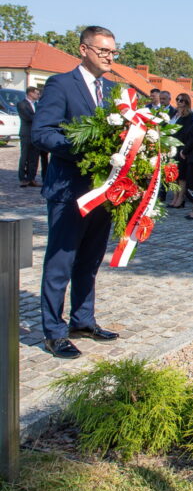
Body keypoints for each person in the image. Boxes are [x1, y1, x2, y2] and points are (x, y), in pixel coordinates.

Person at [31, 26, 121, 359]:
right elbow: (42, 133)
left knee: (90, 260)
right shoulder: (60, 85)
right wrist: (82, 146)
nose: (110, 57)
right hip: (70, 190)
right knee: (60, 262)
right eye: (104, 51)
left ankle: (82, 320)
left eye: (114, 51)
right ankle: (53, 331)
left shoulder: (113, 91)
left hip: (104, 191)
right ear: (84, 50)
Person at [17, 86, 47, 187]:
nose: (38, 95)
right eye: (36, 93)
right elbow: (28, 117)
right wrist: (41, 117)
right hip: (26, 133)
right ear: (30, 93)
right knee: (25, 156)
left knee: (34, 158)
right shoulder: (22, 104)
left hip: (36, 134)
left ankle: (31, 178)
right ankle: (23, 178)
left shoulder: (38, 105)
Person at [167, 93, 193, 208]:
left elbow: (187, 133)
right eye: (177, 99)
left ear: (186, 102)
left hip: (180, 148)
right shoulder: (173, 113)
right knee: (172, 174)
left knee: (181, 176)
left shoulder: (189, 116)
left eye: (181, 100)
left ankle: (180, 198)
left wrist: (183, 149)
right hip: (169, 147)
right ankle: (174, 196)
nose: (178, 102)